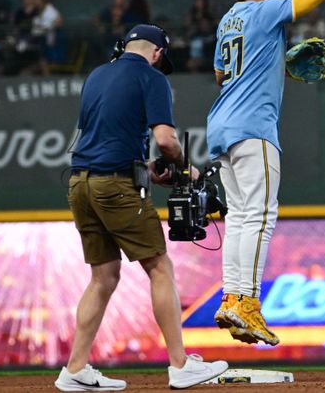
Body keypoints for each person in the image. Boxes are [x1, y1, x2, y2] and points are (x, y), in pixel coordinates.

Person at [56, 24, 228, 391]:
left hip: (80, 183)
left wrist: (146, 170)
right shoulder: (151, 78)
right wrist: (183, 168)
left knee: (103, 277)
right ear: (157, 53)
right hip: (114, 187)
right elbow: (165, 139)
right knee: (160, 268)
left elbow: (100, 138)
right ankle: (181, 366)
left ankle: (74, 369)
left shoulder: (97, 74)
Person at [207, 0, 325, 346]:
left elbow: (221, 74)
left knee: (240, 218)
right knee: (261, 217)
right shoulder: (266, 10)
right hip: (252, 127)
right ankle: (246, 303)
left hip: (221, 126)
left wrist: (273, 64)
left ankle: (231, 298)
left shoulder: (228, 19)